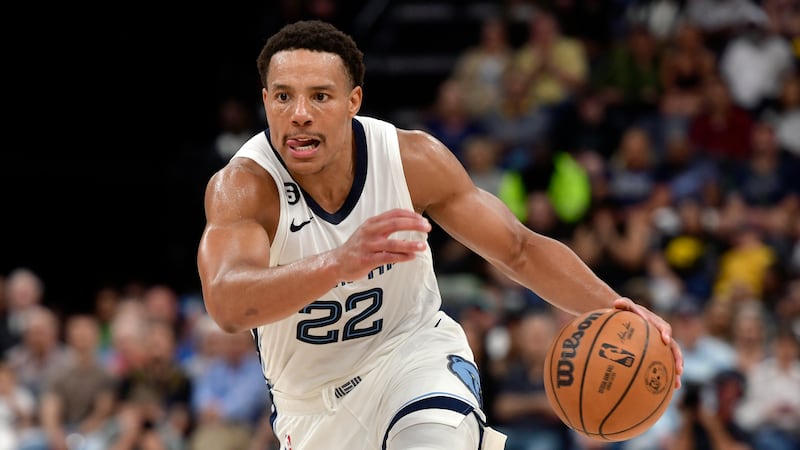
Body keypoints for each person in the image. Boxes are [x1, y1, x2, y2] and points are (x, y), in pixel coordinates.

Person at [196, 19, 684, 450]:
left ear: (353, 101)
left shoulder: (410, 160)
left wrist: (614, 305)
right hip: (310, 407)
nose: (299, 112)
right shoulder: (244, 188)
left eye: (319, 96)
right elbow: (227, 305)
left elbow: (518, 249)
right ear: (265, 101)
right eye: (283, 96)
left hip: (413, 355)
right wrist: (340, 262)